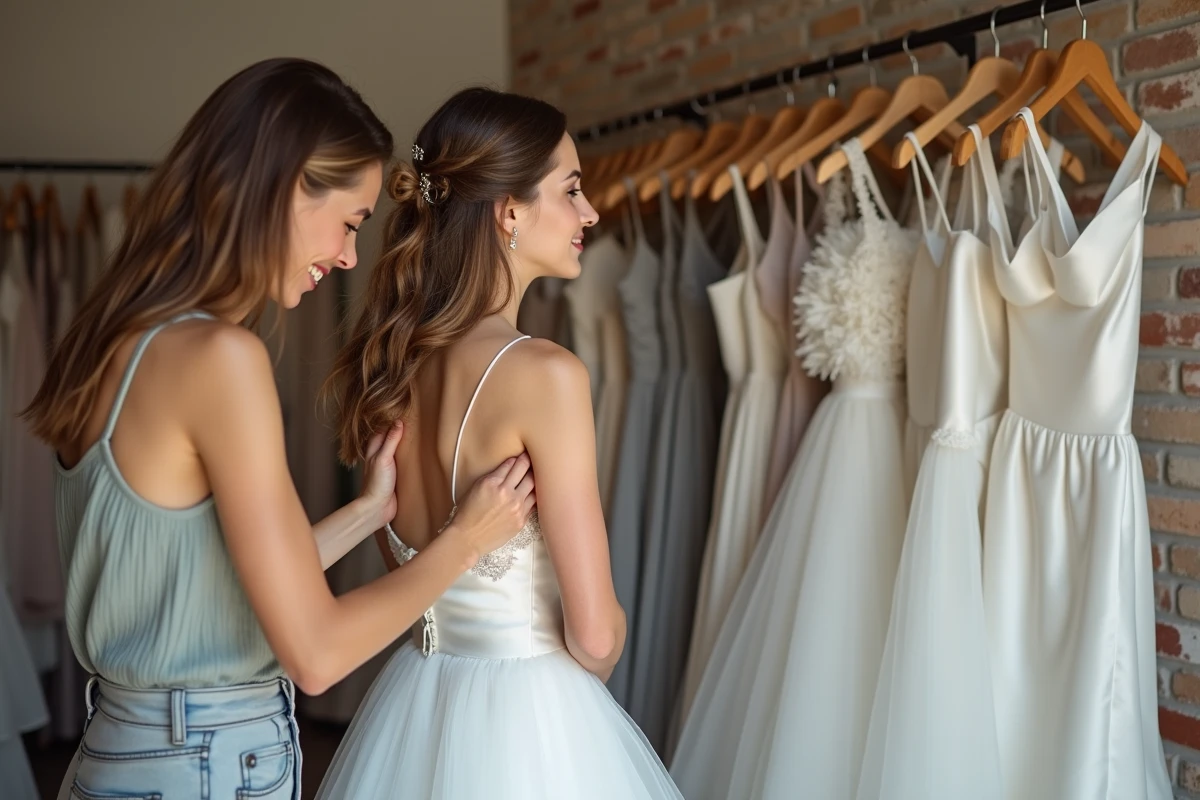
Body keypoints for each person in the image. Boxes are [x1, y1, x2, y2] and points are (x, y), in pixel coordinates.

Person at [22, 59, 534, 800]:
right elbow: (317, 654)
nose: (351, 255)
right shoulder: (219, 357)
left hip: (125, 751)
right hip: (206, 758)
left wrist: (368, 512)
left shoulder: (114, 341)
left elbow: (203, 584)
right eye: (351, 222)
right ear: (290, 186)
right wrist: (465, 542)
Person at [316, 86, 682, 799]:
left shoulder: (396, 365)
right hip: (530, 720)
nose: (590, 212)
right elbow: (596, 637)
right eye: (572, 191)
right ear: (509, 211)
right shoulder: (546, 375)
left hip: (416, 699)